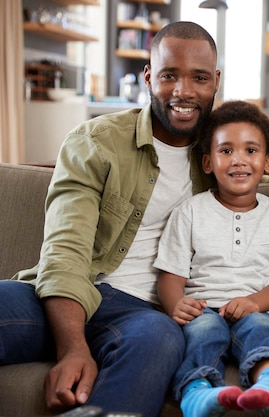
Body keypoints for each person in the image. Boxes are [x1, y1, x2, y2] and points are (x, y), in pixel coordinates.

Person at [0, 22, 222, 417]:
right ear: (150, 77)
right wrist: (73, 348)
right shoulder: (96, 141)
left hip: (141, 317)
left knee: (161, 337)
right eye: (169, 75)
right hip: (65, 292)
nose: (183, 91)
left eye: (199, 78)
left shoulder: (222, 153)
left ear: (215, 82)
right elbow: (65, 250)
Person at [154, 100, 269, 417]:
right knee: (203, 332)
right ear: (208, 162)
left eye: (251, 151)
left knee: (263, 329)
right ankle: (197, 392)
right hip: (203, 307)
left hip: (258, 308)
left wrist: (254, 303)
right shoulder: (190, 211)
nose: (239, 160)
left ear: (267, 161)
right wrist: (176, 304)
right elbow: (170, 277)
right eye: (226, 151)